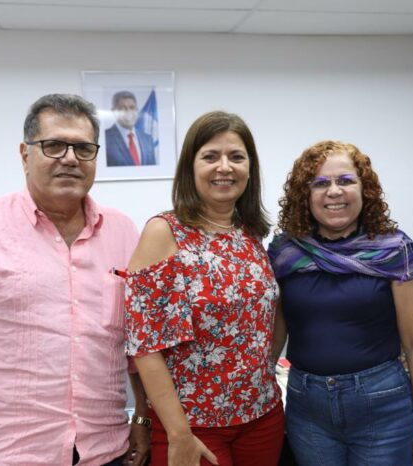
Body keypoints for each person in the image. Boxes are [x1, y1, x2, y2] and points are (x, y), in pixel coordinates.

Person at [0, 94, 149, 466]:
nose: (70, 158)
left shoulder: (124, 232)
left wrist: (143, 417)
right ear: (25, 154)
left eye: (83, 148)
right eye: (53, 145)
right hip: (9, 455)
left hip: (107, 451)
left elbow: (138, 347)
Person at [124, 111, 284, 466]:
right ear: (190, 167)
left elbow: (267, 318)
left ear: (250, 168)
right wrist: (179, 433)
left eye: (236, 157)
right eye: (210, 156)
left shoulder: (250, 233)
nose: (224, 167)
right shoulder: (164, 233)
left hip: (262, 416)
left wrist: (260, 372)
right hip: (193, 426)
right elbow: (145, 345)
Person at [268, 140, 413, 466]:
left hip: (383, 406)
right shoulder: (285, 251)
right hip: (308, 410)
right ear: (305, 195)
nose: (334, 191)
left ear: (365, 190)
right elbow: (276, 333)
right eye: (320, 183)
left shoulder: (394, 250)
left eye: (346, 180)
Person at [105, 90, 156, 166]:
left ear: (137, 110)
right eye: (123, 108)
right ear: (113, 111)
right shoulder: (105, 138)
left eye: (132, 108)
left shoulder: (148, 139)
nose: (128, 112)